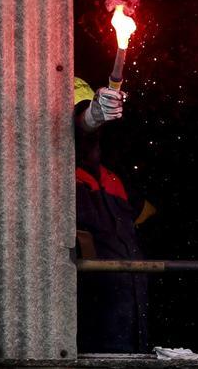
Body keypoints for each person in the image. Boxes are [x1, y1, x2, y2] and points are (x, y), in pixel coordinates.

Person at [73, 77, 152, 353]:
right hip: (88, 332)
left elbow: (153, 231)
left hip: (132, 326)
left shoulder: (116, 181)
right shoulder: (57, 184)